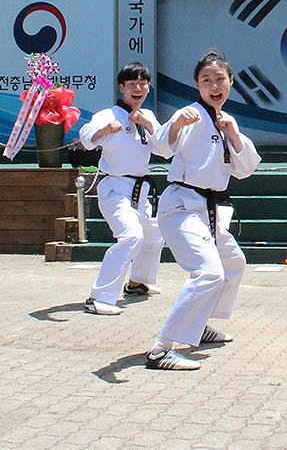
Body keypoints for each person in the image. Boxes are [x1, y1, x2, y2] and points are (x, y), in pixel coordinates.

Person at [146, 50, 261, 371]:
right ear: (196, 85)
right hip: (182, 206)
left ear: (231, 82)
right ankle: (160, 349)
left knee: (234, 262)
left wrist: (233, 134)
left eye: (220, 79)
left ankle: (200, 325)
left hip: (208, 209)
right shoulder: (190, 114)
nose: (214, 85)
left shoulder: (226, 120)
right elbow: (160, 146)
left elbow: (245, 168)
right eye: (206, 80)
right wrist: (175, 124)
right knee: (209, 273)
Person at [80, 62, 167, 316]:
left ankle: (138, 282)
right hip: (115, 188)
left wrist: (150, 126)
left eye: (142, 84)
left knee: (154, 234)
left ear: (148, 87)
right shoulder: (108, 115)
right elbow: (86, 138)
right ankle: (99, 297)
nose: (137, 89)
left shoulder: (148, 116)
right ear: (121, 88)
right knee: (131, 235)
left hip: (141, 190)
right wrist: (105, 130)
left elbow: (164, 149)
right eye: (132, 85)